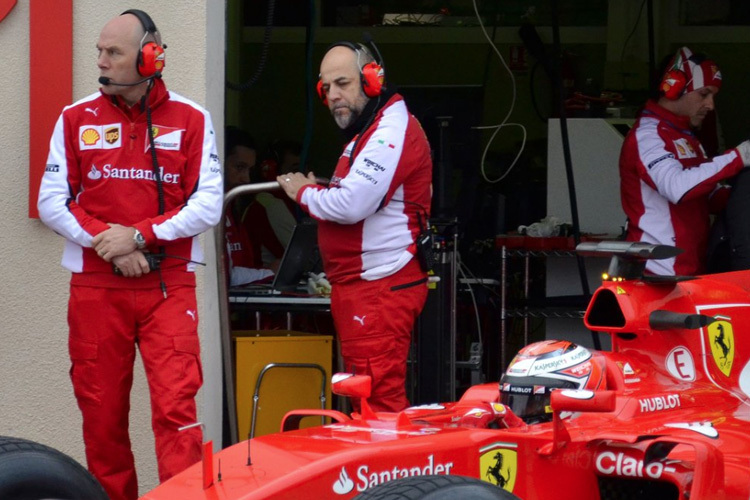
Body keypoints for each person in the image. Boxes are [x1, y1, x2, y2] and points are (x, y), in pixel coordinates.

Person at [36, 10, 222, 500]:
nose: (100, 62)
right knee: (101, 417)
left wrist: (137, 237)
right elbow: (51, 200)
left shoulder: (193, 117)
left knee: (176, 413)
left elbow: (208, 203)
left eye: (113, 52)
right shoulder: (75, 117)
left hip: (169, 285)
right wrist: (111, 244)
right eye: (100, 51)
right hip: (98, 288)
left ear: (151, 55)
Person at [277, 40, 433, 412]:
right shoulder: (372, 130)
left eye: (343, 83)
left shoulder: (388, 132)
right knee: (368, 399)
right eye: (326, 88)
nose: (333, 95)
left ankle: (393, 473)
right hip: (367, 287)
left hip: (378, 287)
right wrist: (318, 191)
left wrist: (302, 192)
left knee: (379, 402)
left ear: (372, 80)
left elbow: (350, 204)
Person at [619, 46, 750, 276]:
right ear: (674, 88)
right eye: (703, 94)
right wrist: (739, 157)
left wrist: (740, 194)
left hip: (689, 270)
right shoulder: (648, 135)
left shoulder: (686, 136)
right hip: (656, 274)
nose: (710, 105)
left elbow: (705, 195)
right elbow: (676, 187)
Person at [223, 126, 274, 286]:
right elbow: (225, 276)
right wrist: (271, 273)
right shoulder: (210, 207)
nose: (246, 179)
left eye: (249, 170)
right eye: (239, 167)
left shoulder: (231, 206)